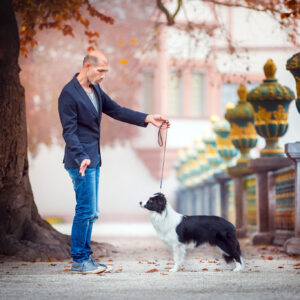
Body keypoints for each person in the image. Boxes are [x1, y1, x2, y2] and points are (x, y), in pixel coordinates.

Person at [58, 50, 170, 274]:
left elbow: (116, 111)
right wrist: (82, 157)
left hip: (94, 159)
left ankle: (86, 258)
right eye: (101, 71)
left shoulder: (95, 90)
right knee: (85, 210)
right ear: (87, 66)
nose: (103, 76)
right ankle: (80, 261)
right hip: (80, 161)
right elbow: (69, 132)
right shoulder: (68, 94)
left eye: (106, 72)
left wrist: (147, 118)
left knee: (92, 211)